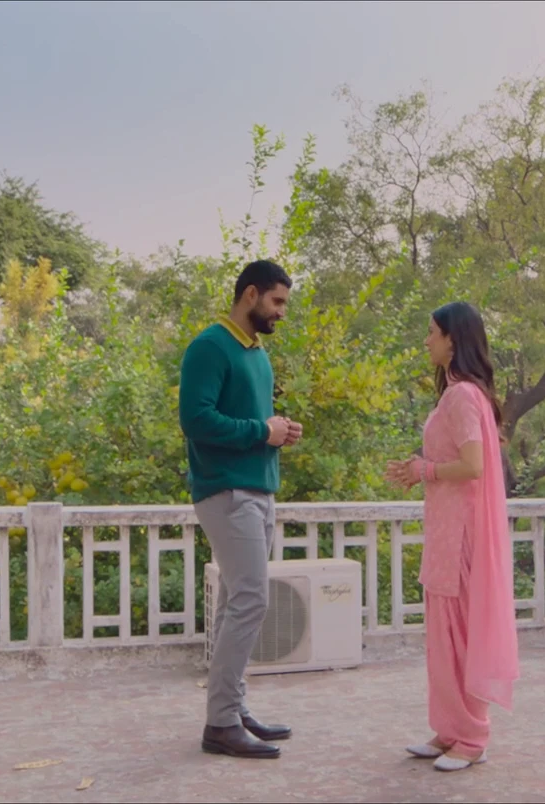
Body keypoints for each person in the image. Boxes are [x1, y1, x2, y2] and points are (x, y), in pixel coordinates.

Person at [383, 301, 521, 773]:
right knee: (444, 635)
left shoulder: (462, 396)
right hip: (447, 529)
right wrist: (418, 470)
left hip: (459, 533)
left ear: (452, 340)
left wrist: (424, 470)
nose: (427, 340)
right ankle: (449, 729)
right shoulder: (461, 394)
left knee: (457, 635)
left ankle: (472, 736)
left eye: (432, 332)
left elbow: (473, 465)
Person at [180, 259, 304, 760]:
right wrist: (260, 431)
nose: (281, 312)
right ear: (250, 294)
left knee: (237, 602)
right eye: (277, 301)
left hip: (259, 490)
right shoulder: (210, 346)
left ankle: (231, 709)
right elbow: (196, 420)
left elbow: (252, 425)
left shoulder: (256, 353)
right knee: (251, 600)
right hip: (227, 492)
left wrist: (278, 431)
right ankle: (221, 723)